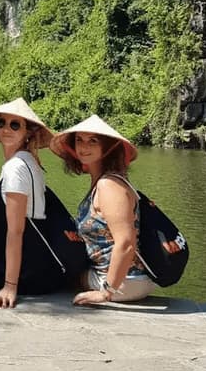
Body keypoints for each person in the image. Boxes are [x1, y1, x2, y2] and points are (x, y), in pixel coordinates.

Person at [49, 115, 156, 304]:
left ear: (106, 147)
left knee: (55, 272)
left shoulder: (109, 185)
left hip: (123, 282)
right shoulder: (102, 182)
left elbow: (126, 242)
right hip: (120, 279)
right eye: (79, 140)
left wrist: (106, 292)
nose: (84, 147)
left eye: (93, 141)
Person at [0, 97, 56, 309]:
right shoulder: (27, 161)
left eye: (15, 124)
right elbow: (9, 217)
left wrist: (10, 286)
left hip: (29, 272)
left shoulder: (16, 168)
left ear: (27, 132)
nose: (6, 129)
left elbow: (15, 230)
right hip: (37, 264)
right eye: (1, 123)